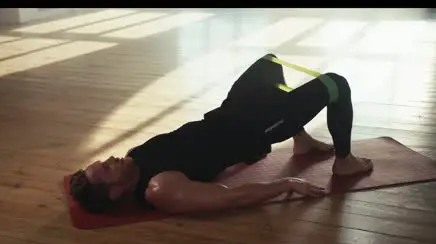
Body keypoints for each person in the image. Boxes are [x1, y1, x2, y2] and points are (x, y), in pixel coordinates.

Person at [69, 54, 373, 215]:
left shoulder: (133, 158)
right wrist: (286, 183)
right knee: (336, 84)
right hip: (257, 127)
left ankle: (301, 140)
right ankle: (344, 161)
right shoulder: (159, 187)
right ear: (115, 192)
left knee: (268, 65)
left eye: (104, 160)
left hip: (229, 112)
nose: (110, 158)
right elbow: (231, 198)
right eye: (107, 169)